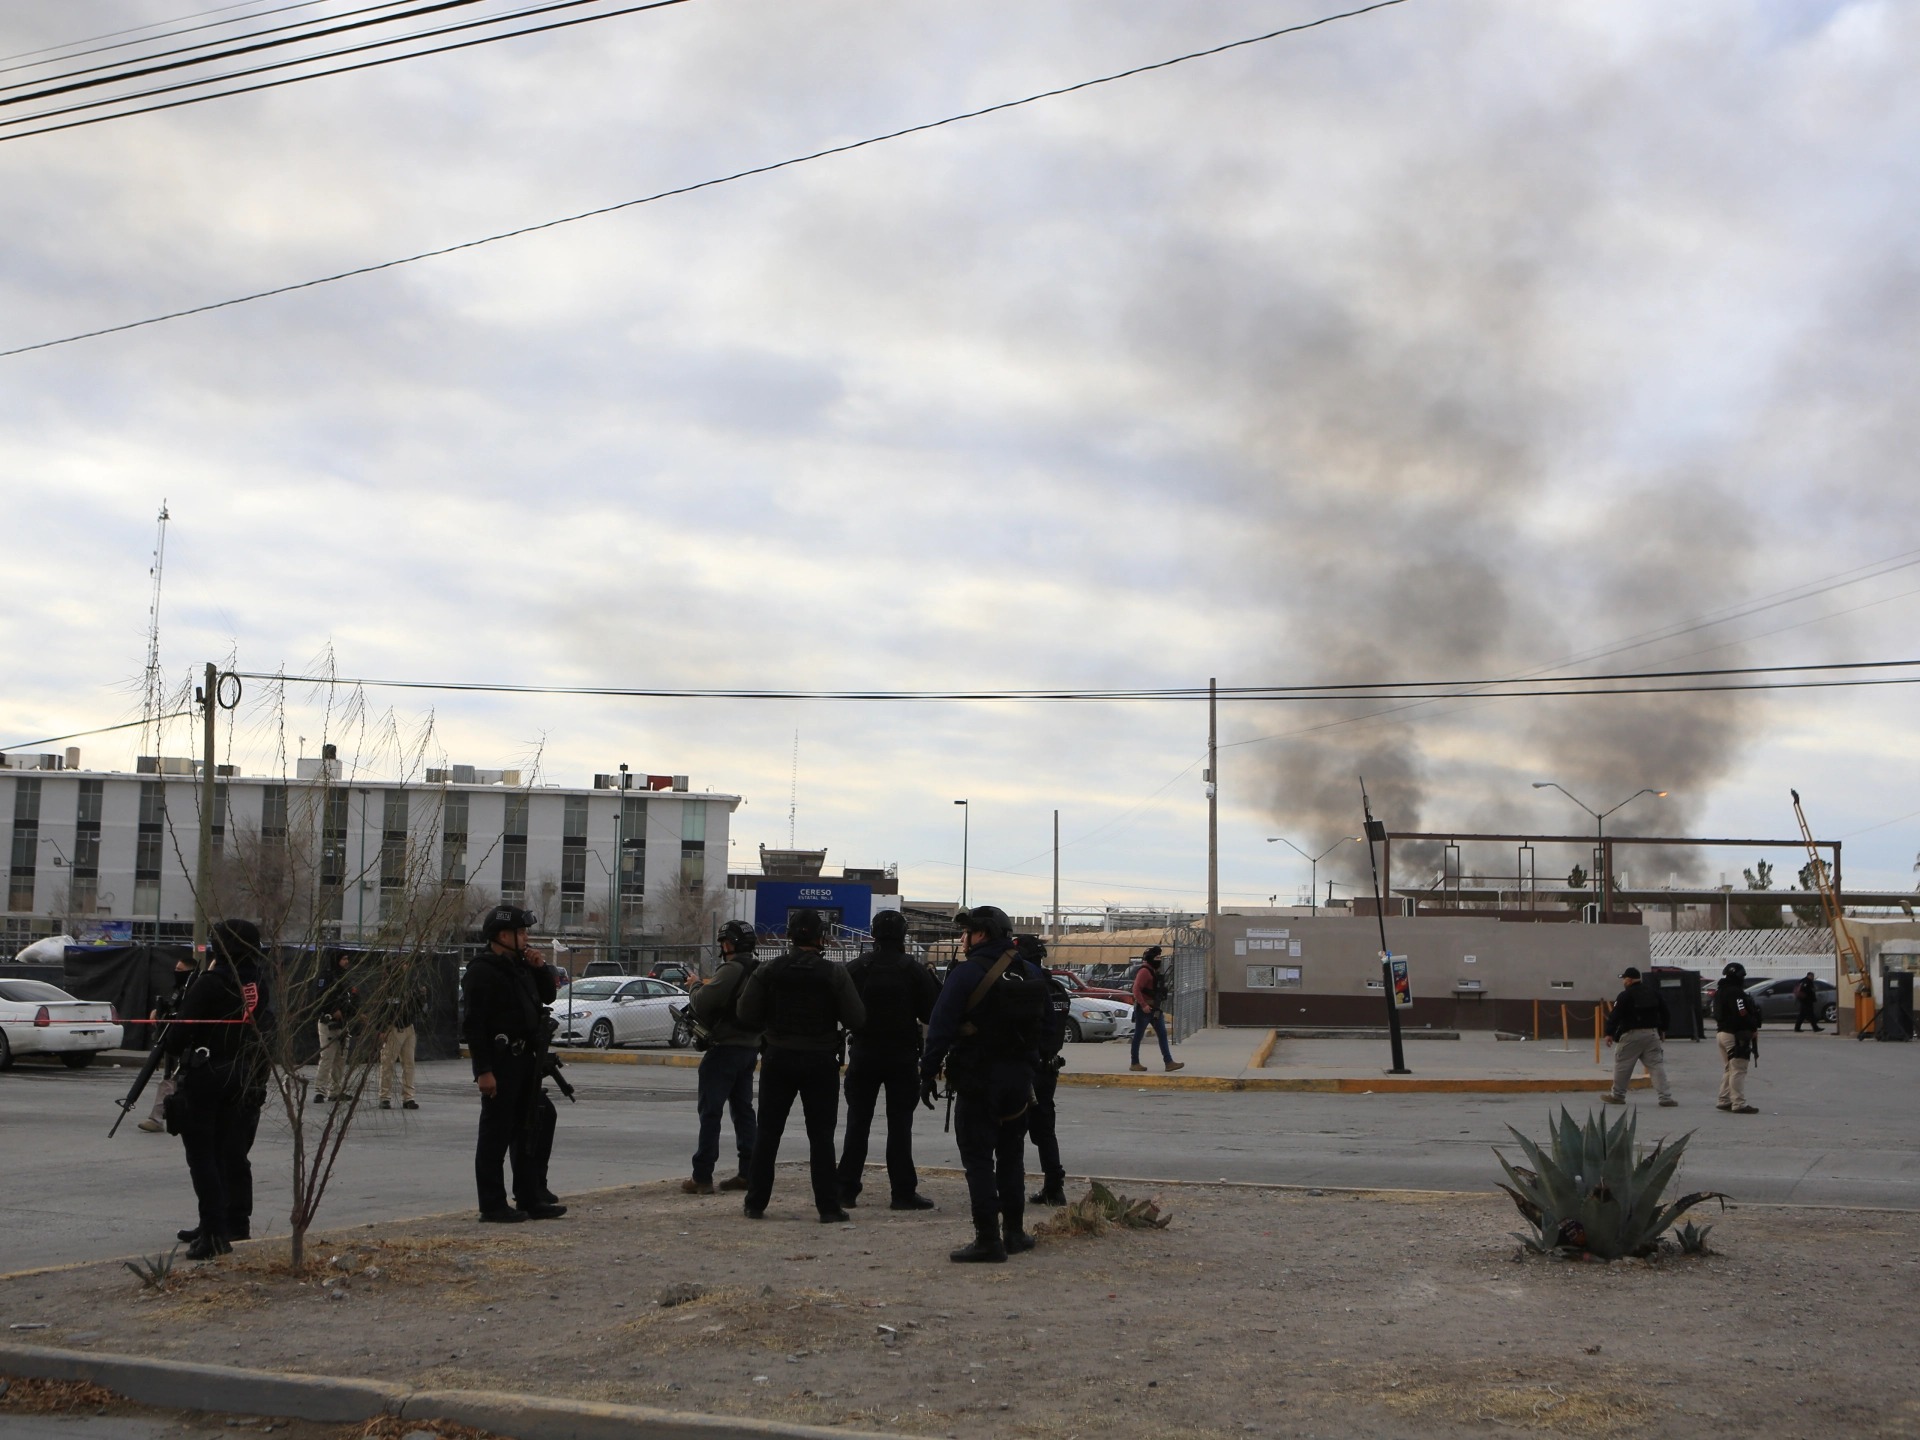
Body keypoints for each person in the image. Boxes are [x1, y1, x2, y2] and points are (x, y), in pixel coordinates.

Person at [921, 904, 1048, 1263]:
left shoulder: (965, 973)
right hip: (1019, 1082)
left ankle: (988, 1240)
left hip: (977, 1079)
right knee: (1011, 1157)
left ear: (982, 934)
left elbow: (941, 1026)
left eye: (966, 932)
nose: (962, 939)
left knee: (978, 1160)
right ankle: (1015, 1233)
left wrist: (927, 1072)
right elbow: (1047, 1030)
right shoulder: (1030, 970)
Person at [736, 908, 866, 1223]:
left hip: (778, 1057)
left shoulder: (768, 970)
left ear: (790, 936)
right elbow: (857, 1019)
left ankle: (756, 1203)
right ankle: (828, 1207)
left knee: (768, 1133)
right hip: (820, 1061)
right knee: (821, 1137)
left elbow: (745, 1014)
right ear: (821, 938)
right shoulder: (834, 973)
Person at [461, 904, 568, 1223]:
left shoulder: (521, 967)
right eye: (521, 933)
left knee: (533, 1123)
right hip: (501, 1062)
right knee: (496, 1134)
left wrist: (540, 968)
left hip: (526, 1062)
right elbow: (474, 1025)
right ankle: (492, 1204)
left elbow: (547, 997)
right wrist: (483, 1071)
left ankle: (530, 1196)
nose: (526, 939)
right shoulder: (482, 970)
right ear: (502, 936)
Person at [835, 908, 940, 1211]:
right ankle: (903, 1192)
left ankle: (845, 1190)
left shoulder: (857, 967)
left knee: (857, 1123)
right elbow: (930, 1014)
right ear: (904, 935)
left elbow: (839, 1010)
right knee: (899, 1126)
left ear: (873, 934)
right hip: (901, 1056)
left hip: (865, 1053)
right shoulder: (914, 969)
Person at [163, 933, 251, 1260]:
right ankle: (215, 1226)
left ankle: (214, 1232)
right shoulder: (252, 984)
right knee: (219, 1154)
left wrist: (173, 1032)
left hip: (206, 1075)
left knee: (202, 1157)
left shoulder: (211, 984)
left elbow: (178, 1036)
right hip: (238, 1073)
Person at [683, 919, 762, 1195]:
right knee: (744, 1112)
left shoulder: (731, 969)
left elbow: (702, 1002)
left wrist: (694, 985)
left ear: (727, 945)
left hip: (725, 1049)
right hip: (750, 1048)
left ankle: (702, 1176)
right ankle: (747, 1172)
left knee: (711, 1112)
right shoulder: (757, 969)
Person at [1021, 934, 1073, 1208]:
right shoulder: (1056, 989)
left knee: (1013, 1130)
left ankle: (1013, 1186)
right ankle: (1054, 1188)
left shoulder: (1029, 987)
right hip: (1049, 1068)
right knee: (1045, 1130)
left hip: (1028, 1067)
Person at [136, 952, 196, 1133]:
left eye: (180, 970)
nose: (175, 972)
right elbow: (173, 1007)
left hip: (186, 1042)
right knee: (170, 1080)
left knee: (173, 1081)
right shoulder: (180, 989)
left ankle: (158, 1118)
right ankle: (159, 1117)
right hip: (173, 1039)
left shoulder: (193, 989)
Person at [1602, 966, 1677, 1107]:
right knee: (1656, 1065)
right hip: (1652, 1034)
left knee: (1623, 1065)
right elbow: (1665, 1012)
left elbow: (1615, 1015)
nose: (1623, 981)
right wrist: (1663, 1029)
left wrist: (1609, 1033)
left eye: (1624, 979)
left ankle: (1617, 1095)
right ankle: (1665, 1097)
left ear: (1629, 980)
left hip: (1631, 1035)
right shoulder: (1653, 993)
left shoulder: (1625, 995)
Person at [1714, 962, 1763, 1115]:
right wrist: (1752, 1026)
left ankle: (1724, 1100)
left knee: (1730, 1068)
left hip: (1721, 1033)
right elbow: (1741, 1013)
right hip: (1735, 1035)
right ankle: (1738, 1103)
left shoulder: (1720, 991)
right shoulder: (1736, 993)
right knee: (1739, 1069)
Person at [377, 970, 431, 1110]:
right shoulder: (389, 986)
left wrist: (422, 996)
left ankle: (408, 1097)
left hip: (409, 1027)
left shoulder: (412, 985)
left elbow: (420, 1008)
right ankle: (385, 1097)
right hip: (394, 1027)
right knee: (388, 1062)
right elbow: (382, 1009)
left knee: (409, 1063)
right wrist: (382, 1029)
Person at [310, 950, 359, 1104]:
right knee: (327, 1057)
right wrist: (332, 1010)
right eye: (344, 959)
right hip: (328, 1023)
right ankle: (320, 1091)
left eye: (347, 959)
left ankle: (335, 1091)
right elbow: (320, 997)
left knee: (340, 1058)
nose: (346, 962)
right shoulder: (326, 976)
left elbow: (350, 999)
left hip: (343, 1024)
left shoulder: (344, 977)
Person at [1129, 946, 1185, 1074]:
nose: (1159, 960)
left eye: (1160, 957)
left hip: (1155, 1008)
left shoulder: (1154, 971)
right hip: (1144, 1010)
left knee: (1162, 1034)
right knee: (1138, 1036)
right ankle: (1134, 1062)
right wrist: (1143, 1005)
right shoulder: (1144, 972)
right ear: (1150, 959)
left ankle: (1168, 1062)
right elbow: (1136, 989)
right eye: (1156, 957)